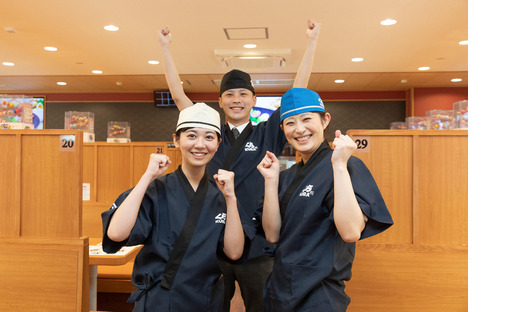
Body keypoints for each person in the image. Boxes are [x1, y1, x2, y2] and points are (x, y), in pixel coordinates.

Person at [157, 19, 321, 312]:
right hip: (210, 241)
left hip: (258, 245)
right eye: (230, 95)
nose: (236, 100)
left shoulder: (266, 132)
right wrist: (165, 48)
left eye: (243, 94)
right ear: (220, 101)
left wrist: (311, 42)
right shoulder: (209, 135)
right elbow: (179, 96)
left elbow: (298, 90)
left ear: (254, 99)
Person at [101, 103, 253, 311]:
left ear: (218, 143)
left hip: (206, 300)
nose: (200, 144)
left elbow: (234, 252)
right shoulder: (156, 189)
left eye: (209, 137)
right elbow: (116, 233)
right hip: (161, 300)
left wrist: (231, 197)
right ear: (176, 140)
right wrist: (148, 176)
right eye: (191, 136)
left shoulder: (222, 193)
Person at [256, 88, 394, 312]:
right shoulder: (287, 176)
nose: (299, 129)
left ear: (325, 120)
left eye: (306, 119)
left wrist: (339, 164)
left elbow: (350, 232)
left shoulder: (348, 166)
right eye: (290, 123)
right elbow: (273, 235)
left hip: (319, 295)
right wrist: (271, 182)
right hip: (280, 289)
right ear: (282, 129)